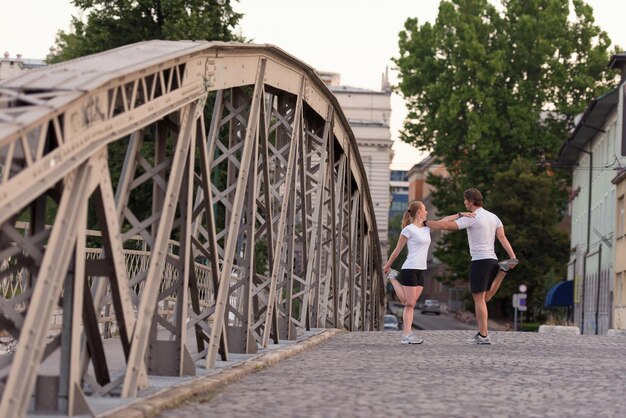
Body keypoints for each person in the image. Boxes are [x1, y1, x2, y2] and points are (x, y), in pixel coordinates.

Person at [424, 188, 517, 345]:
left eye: (465, 200)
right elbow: (501, 237)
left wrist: (425, 223)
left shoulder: (471, 217)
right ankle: (502, 271)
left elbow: (445, 226)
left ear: (472, 201)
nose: (464, 202)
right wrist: (512, 256)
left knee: (479, 299)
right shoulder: (493, 217)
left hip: (480, 261)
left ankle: (483, 335)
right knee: (485, 298)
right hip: (492, 259)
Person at [383, 200, 473, 344]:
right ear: (419, 211)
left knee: (408, 303)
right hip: (410, 268)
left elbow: (443, 221)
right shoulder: (408, 229)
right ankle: (406, 334)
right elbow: (397, 250)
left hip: (421, 270)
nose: (426, 212)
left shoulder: (426, 228)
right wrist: (387, 265)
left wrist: (460, 214)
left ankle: (407, 334)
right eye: (424, 209)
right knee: (409, 303)